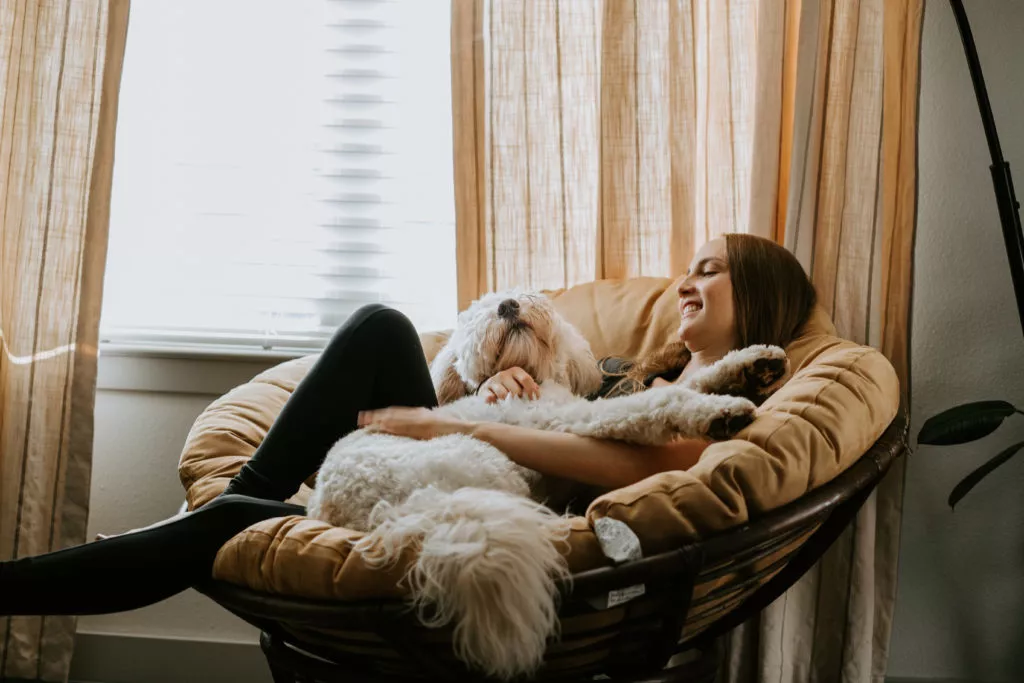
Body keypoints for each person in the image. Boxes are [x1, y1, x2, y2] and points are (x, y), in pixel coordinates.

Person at [0, 233, 816, 616]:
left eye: (710, 272)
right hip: (450, 464)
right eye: (689, 268)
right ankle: (232, 502)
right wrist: (491, 395)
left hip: (478, 497)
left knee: (223, 527)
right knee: (383, 328)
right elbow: (567, 406)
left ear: (761, 301)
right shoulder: (639, 370)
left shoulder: (726, 398)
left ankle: (40, 580)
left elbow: (629, 470)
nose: (685, 281)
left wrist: (458, 429)